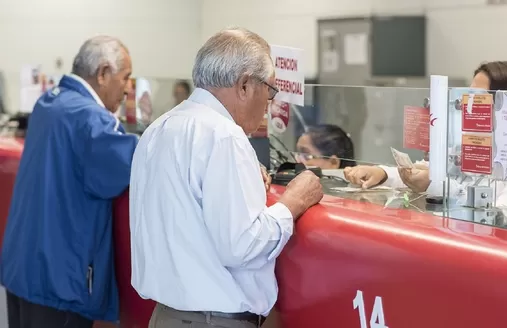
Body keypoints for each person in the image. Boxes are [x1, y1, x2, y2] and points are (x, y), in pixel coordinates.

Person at [130, 27, 323, 328]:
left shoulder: (160, 127)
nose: (269, 103)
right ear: (246, 84)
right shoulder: (224, 136)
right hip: (213, 320)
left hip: (165, 315)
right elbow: (242, 246)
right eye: (270, 90)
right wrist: (292, 203)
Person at [0, 36, 138, 328]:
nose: (128, 88)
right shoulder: (92, 119)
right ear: (103, 73)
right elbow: (137, 163)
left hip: (24, 269)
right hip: (61, 282)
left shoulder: (50, 103)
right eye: (125, 77)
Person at [345, 61, 507, 209]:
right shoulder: (471, 148)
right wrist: (381, 173)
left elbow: (500, 216)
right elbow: (426, 172)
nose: (468, 106)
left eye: (479, 99)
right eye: (469, 97)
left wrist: (435, 185)